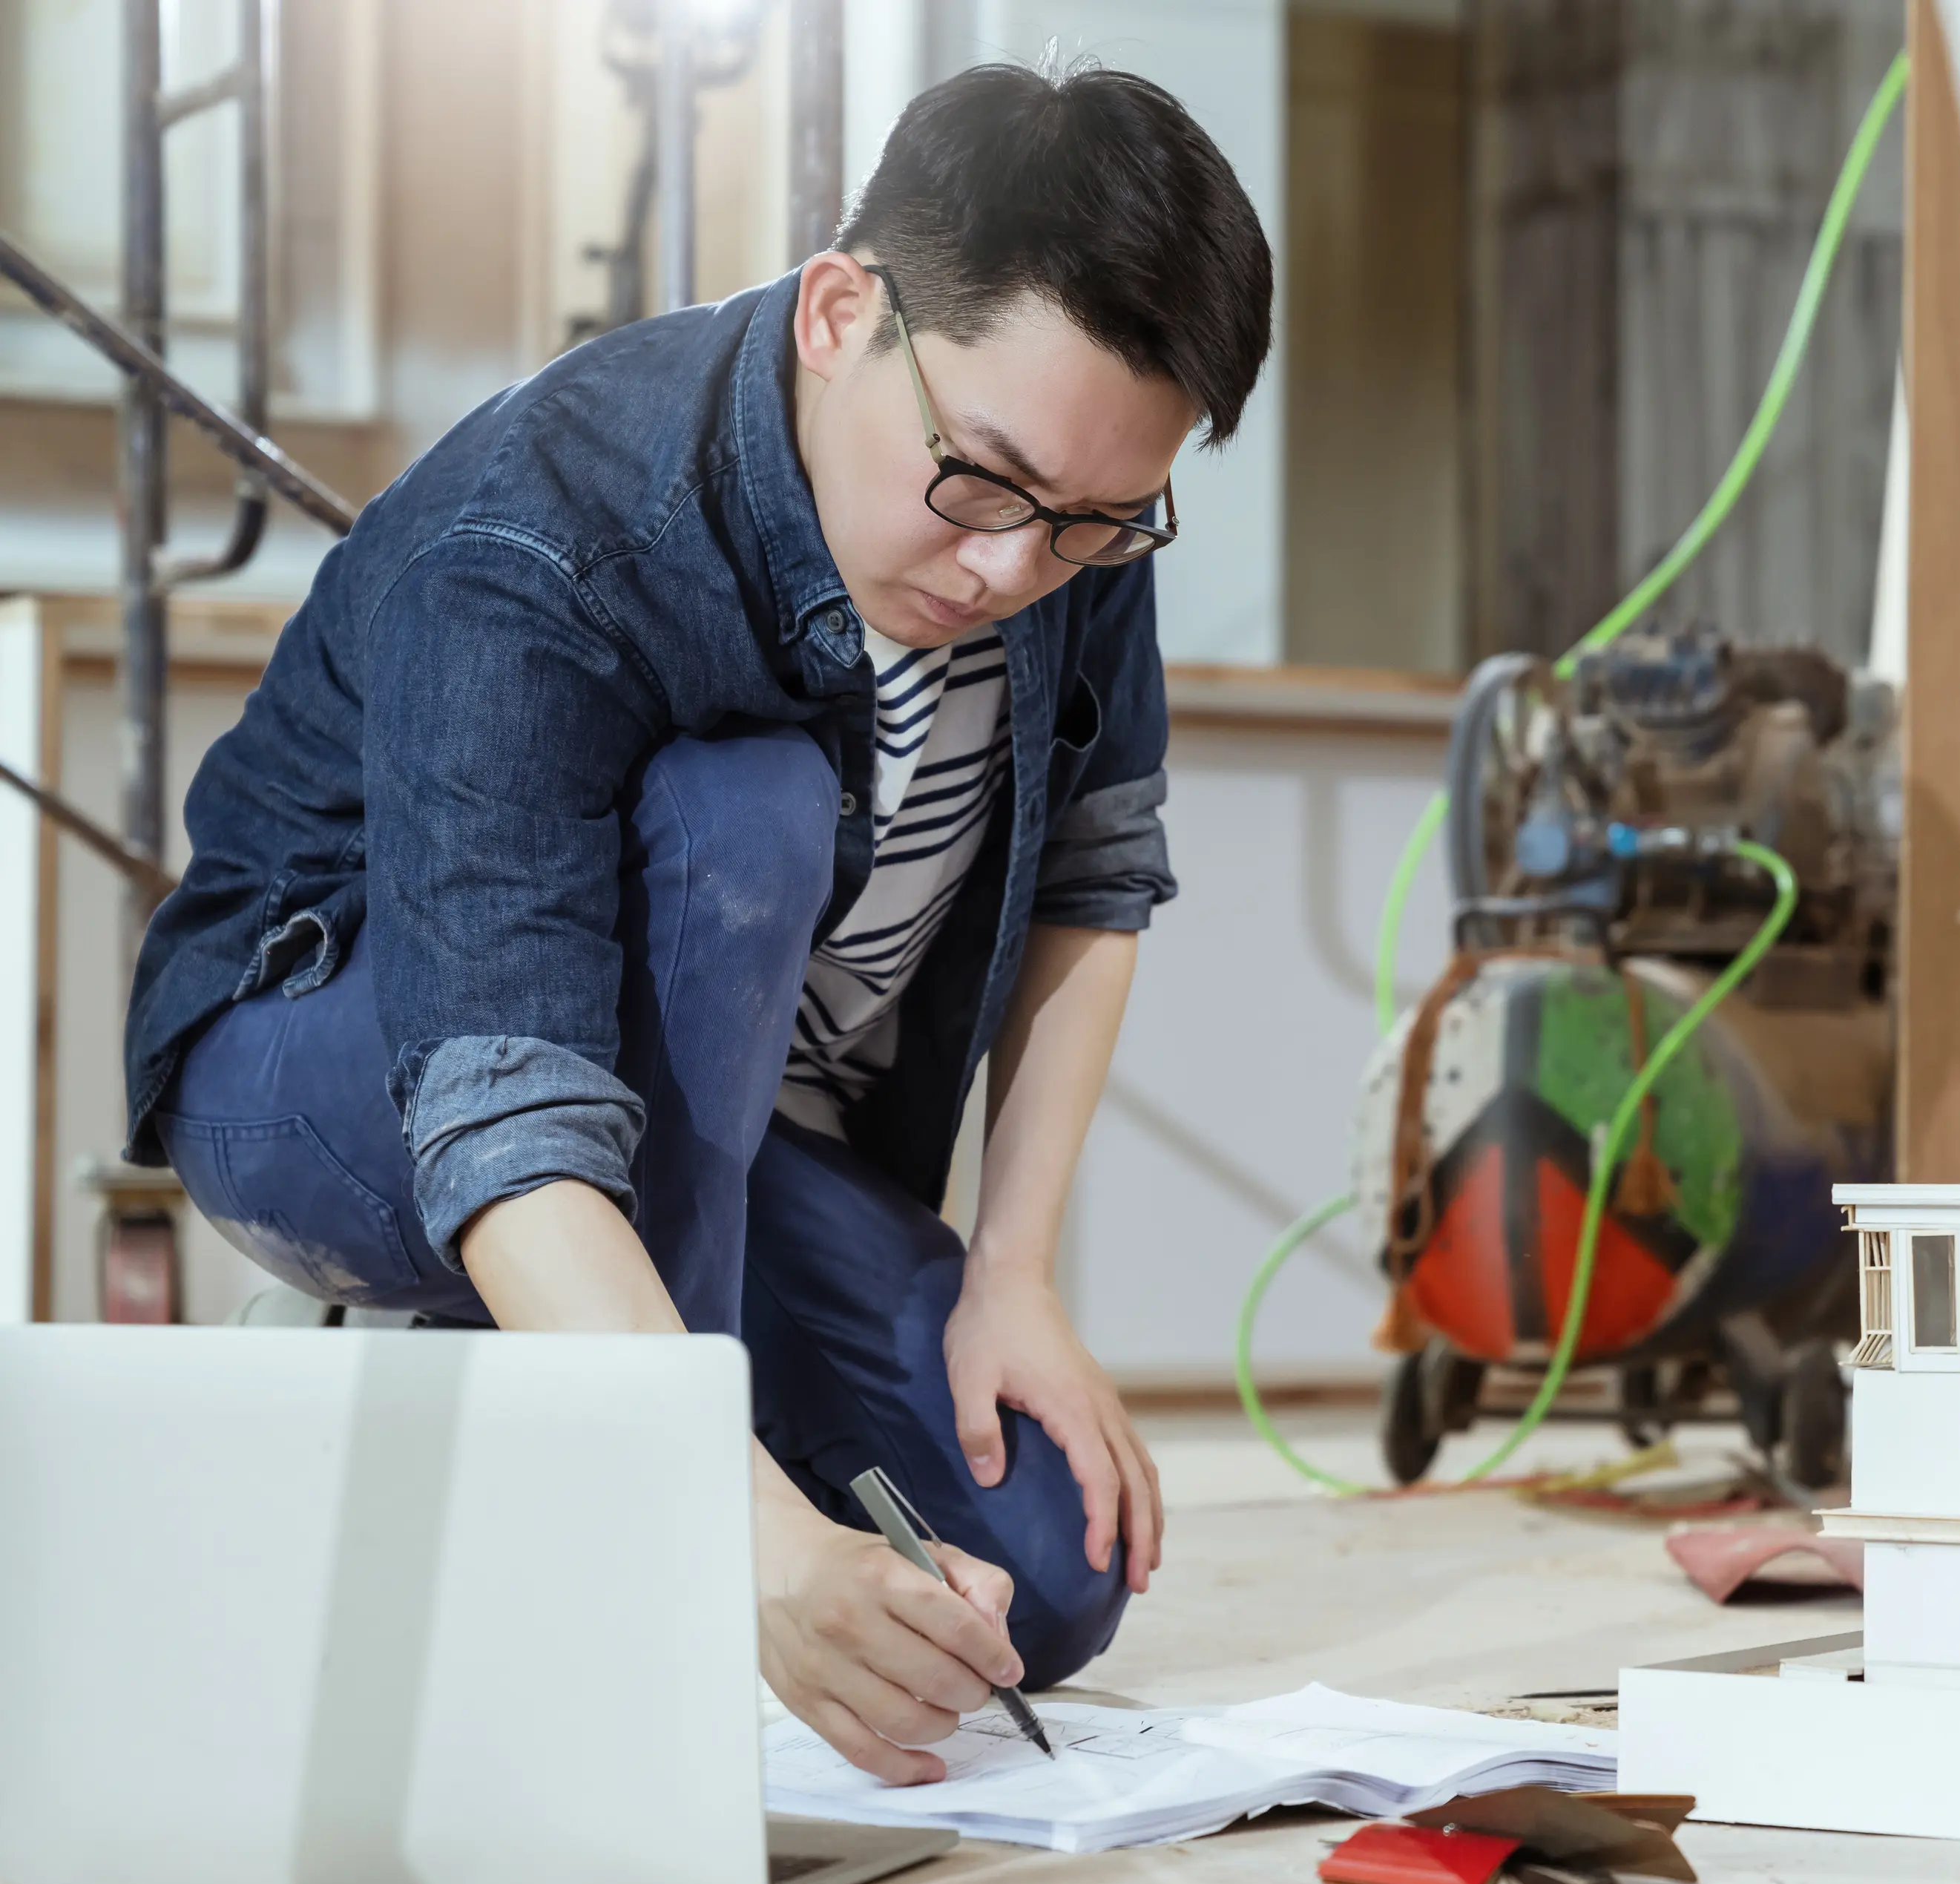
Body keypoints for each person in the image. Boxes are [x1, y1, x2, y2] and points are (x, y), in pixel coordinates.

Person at [118, 62, 1271, 1785]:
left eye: (1103, 522)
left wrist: (1014, 1273)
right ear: (836, 315)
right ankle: (567, 1433)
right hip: (331, 1062)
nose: (1016, 571)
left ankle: (591, 1401)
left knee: (1038, 1575)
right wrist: (742, 1533)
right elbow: (498, 1097)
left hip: (690, 1141)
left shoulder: (1063, 505)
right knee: (745, 808)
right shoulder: (545, 527)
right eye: (984, 484)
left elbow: (1098, 877)